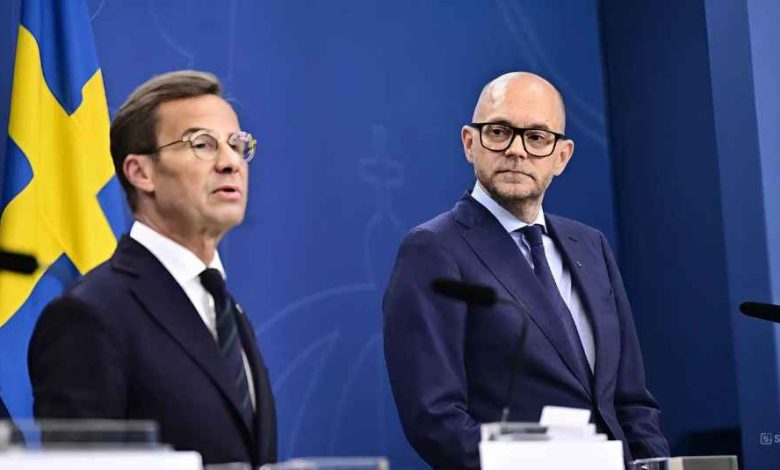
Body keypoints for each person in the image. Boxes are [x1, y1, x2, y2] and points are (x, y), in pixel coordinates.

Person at [383, 72, 669, 468]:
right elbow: (434, 418)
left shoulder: (591, 246)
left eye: (536, 137)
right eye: (499, 132)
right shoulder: (433, 249)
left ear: (561, 156)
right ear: (469, 143)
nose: (517, 150)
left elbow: (632, 402)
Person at [28, 70, 276, 467]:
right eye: (202, 144)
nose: (231, 163)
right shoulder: (91, 314)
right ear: (141, 173)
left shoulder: (228, 311)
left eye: (237, 145)